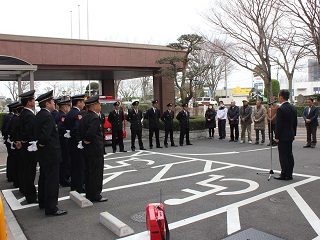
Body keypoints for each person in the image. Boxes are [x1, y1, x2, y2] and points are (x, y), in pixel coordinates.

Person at [33, 90, 68, 216]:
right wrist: (41, 144)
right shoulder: (48, 116)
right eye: (52, 101)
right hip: (51, 154)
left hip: (44, 154)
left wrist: (40, 145)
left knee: (44, 178)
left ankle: (43, 202)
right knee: (52, 181)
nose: (54, 103)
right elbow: (45, 136)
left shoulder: (39, 115)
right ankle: (51, 207)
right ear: (47, 104)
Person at [79, 95, 108, 202]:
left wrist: (85, 142)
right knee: (96, 172)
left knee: (89, 172)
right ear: (94, 106)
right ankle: (96, 195)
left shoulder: (85, 116)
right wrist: (87, 140)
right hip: (95, 149)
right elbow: (90, 134)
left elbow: (80, 131)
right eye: (99, 104)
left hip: (87, 150)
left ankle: (89, 193)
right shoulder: (95, 118)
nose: (100, 106)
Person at [16, 90, 38, 203]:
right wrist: (25, 140)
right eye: (33, 100)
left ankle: (28, 192)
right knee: (30, 172)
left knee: (26, 171)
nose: (34, 101)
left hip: (25, 146)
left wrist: (21, 141)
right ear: (29, 102)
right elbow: (28, 132)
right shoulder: (29, 115)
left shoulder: (24, 113)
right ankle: (31, 196)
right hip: (30, 147)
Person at [274, 89, 297, 180]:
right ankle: (290, 173)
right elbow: (295, 123)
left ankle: (284, 173)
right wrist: (293, 133)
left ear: (281, 97)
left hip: (283, 136)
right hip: (290, 134)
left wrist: (276, 136)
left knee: (283, 155)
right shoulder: (293, 108)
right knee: (289, 154)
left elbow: (279, 124)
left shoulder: (281, 109)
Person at [65, 94, 86, 193]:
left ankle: (74, 185)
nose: (83, 104)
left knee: (73, 165)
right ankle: (79, 186)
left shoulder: (69, 113)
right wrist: (79, 139)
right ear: (78, 103)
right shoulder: (78, 114)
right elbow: (77, 128)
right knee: (79, 166)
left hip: (70, 143)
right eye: (82, 102)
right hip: (77, 143)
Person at [55, 99, 71, 187]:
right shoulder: (62, 116)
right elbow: (61, 128)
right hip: (63, 141)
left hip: (60, 141)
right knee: (65, 160)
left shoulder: (58, 115)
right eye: (68, 106)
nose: (68, 108)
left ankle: (63, 178)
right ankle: (64, 179)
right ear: (64, 107)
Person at [2, 102, 17, 182]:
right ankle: (11, 176)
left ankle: (10, 175)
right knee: (12, 158)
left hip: (8, 141)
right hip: (10, 141)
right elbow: (9, 129)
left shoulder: (8, 116)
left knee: (11, 158)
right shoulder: (11, 117)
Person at [10, 103, 23, 188]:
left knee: (17, 164)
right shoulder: (17, 119)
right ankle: (18, 182)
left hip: (16, 142)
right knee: (19, 165)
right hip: (19, 144)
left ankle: (17, 181)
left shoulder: (15, 118)